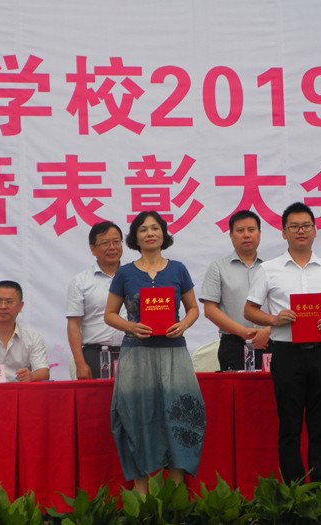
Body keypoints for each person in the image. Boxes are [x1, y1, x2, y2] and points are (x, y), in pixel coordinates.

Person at [244, 201, 321, 485]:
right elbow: (249, 310)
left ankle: (320, 486)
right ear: (284, 233)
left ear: (315, 231)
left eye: (306, 226)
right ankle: (293, 488)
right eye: (294, 227)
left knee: (320, 426)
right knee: (289, 425)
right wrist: (274, 319)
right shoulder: (269, 269)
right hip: (286, 354)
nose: (301, 231)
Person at [103, 210, 205, 493]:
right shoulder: (125, 273)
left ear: (163, 234)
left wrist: (184, 324)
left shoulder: (178, 269)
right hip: (137, 355)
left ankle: (176, 491)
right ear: (135, 237)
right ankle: (141, 492)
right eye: (143, 229)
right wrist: (131, 326)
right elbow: (109, 314)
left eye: (155, 228)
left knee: (181, 415)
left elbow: (193, 308)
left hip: (174, 354)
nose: (150, 233)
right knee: (136, 416)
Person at [200, 209, 271, 371]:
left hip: (269, 341)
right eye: (240, 230)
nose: (246, 235)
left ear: (259, 234)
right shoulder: (218, 268)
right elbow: (210, 310)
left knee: (272, 386)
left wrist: (269, 330)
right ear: (231, 235)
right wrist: (244, 332)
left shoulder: (272, 268)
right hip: (233, 343)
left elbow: (283, 307)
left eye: (251, 230)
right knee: (236, 386)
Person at [66, 221, 125, 379]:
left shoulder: (134, 277)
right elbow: (73, 324)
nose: (112, 247)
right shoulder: (80, 281)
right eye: (105, 243)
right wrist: (80, 363)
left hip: (131, 353)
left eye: (116, 242)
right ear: (92, 249)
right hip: (95, 355)